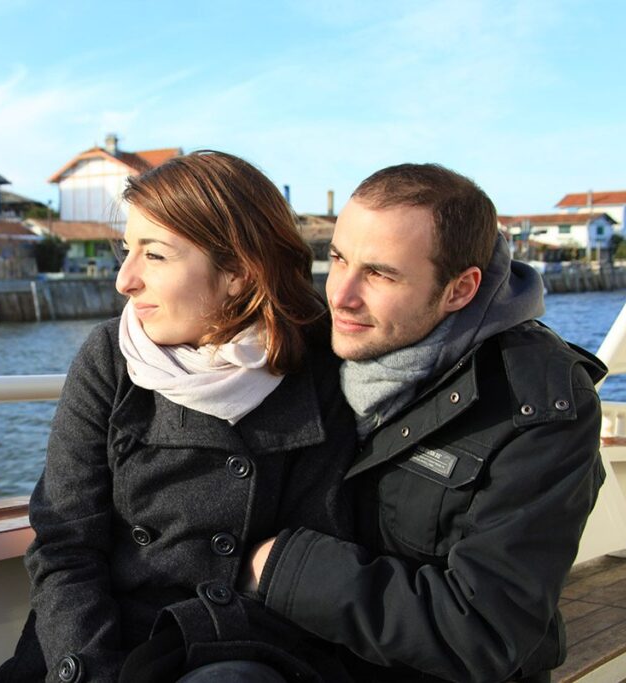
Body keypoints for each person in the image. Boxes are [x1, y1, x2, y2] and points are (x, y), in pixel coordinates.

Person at [0, 151, 357, 682]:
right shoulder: (110, 359)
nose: (124, 280)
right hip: (102, 643)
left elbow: (315, 551)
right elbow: (66, 544)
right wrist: (86, 669)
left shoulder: (318, 366)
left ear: (237, 272)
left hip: (246, 647)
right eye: (126, 251)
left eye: (155, 256)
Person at [233, 163, 607, 682]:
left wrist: (284, 568)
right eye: (338, 259)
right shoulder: (318, 348)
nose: (339, 296)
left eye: (380, 274)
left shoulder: (539, 404)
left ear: (459, 290)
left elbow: (485, 629)